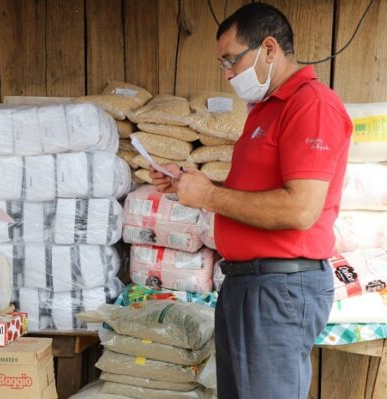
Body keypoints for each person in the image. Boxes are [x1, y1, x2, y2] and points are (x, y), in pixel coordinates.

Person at [151, 4, 352, 399]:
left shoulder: (310, 104)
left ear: (270, 48)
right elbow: (259, 191)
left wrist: (209, 196)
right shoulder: (265, 110)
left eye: (231, 59)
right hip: (252, 283)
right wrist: (199, 185)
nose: (227, 73)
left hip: (280, 286)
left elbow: (300, 209)